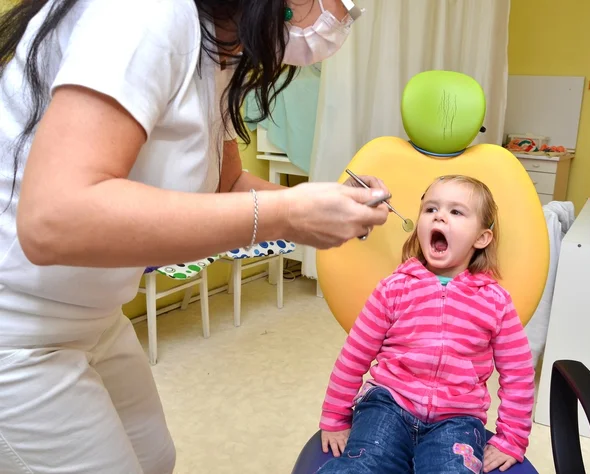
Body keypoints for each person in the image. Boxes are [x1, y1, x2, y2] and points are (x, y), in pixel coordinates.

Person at [0, 1, 391, 473]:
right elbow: (53, 219)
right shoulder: (147, 14)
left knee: (155, 458)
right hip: (19, 329)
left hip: (95, 317)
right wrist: (287, 213)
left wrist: (328, 203)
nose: (345, 14)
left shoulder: (221, 48)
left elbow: (226, 186)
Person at [318, 175, 536, 474]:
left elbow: (519, 374)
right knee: (363, 467)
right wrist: (334, 417)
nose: (440, 216)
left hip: (458, 419)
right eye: (430, 209)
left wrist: (511, 437)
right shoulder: (393, 289)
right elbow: (353, 357)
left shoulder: (495, 302)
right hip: (387, 405)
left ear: (481, 238)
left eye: (456, 212)